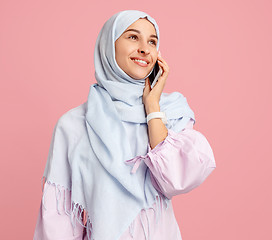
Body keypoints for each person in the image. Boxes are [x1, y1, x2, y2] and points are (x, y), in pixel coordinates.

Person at [33, 10, 216, 240]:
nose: (144, 48)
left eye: (152, 41)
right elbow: (58, 222)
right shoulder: (73, 125)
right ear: (109, 45)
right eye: (132, 37)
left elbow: (175, 180)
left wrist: (152, 108)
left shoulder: (170, 112)